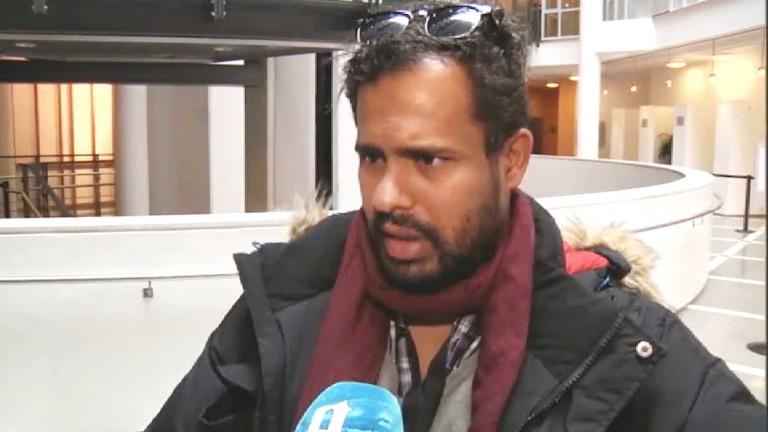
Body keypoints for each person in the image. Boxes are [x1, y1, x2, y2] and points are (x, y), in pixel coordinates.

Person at [146, 2, 766, 431]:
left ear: (511, 159)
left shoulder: (620, 341)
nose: (386, 195)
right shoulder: (282, 301)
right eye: (372, 157)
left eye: (428, 160)